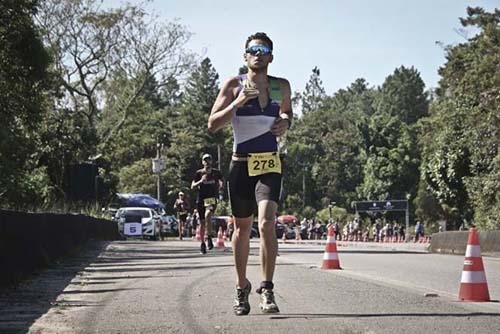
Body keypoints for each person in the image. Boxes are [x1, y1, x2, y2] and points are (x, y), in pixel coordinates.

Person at [207, 32, 292, 315]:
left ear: (271, 56)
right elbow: (213, 124)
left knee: (268, 222)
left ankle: (267, 288)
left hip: (269, 162)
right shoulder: (234, 85)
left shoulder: (281, 87)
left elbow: (286, 113)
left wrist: (285, 123)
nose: (258, 53)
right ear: (245, 57)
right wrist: (237, 103)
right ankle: (241, 287)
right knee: (242, 228)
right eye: (252, 49)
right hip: (241, 164)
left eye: (263, 49)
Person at [191, 153, 224, 254]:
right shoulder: (199, 173)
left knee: (208, 214)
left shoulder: (216, 172)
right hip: (201, 199)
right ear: (202, 162)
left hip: (211, 198)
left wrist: (221, 185)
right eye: (205, 160)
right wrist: (201, 181)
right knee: (201, 223)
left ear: (211, 161)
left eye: (209, 160)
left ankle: (209, 237)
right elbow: (192, 186)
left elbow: (222, 181)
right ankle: (202, 243)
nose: (207, 162)